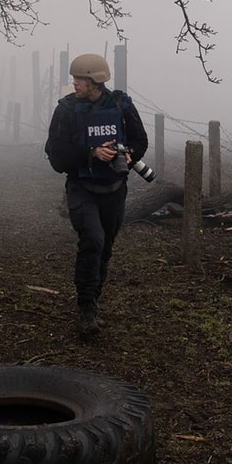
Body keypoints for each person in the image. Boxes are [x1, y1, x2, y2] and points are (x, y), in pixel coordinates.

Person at [44, 53, 149, 337]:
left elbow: (140, 141)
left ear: (95, 81)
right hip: (81, 188)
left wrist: (127, 156)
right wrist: (90, 153)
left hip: (115, 189)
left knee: (105, 248)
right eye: (75, 78)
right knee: (92, 240)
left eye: (80, 78)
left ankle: (94, 301)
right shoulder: (65, 110)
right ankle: (86, 310)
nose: (74, 83)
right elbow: (56, 156)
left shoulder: (120, 105)